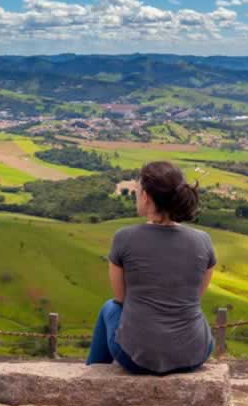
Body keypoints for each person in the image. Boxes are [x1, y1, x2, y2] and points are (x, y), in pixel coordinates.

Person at [86, 161, 215, 375]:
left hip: (136, 358)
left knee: (109, 307)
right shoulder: (203, 240)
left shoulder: (124, 237)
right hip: (195, 352)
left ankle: (90, 392)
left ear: (145, 196)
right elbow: (195, 296)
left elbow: (121, 299)